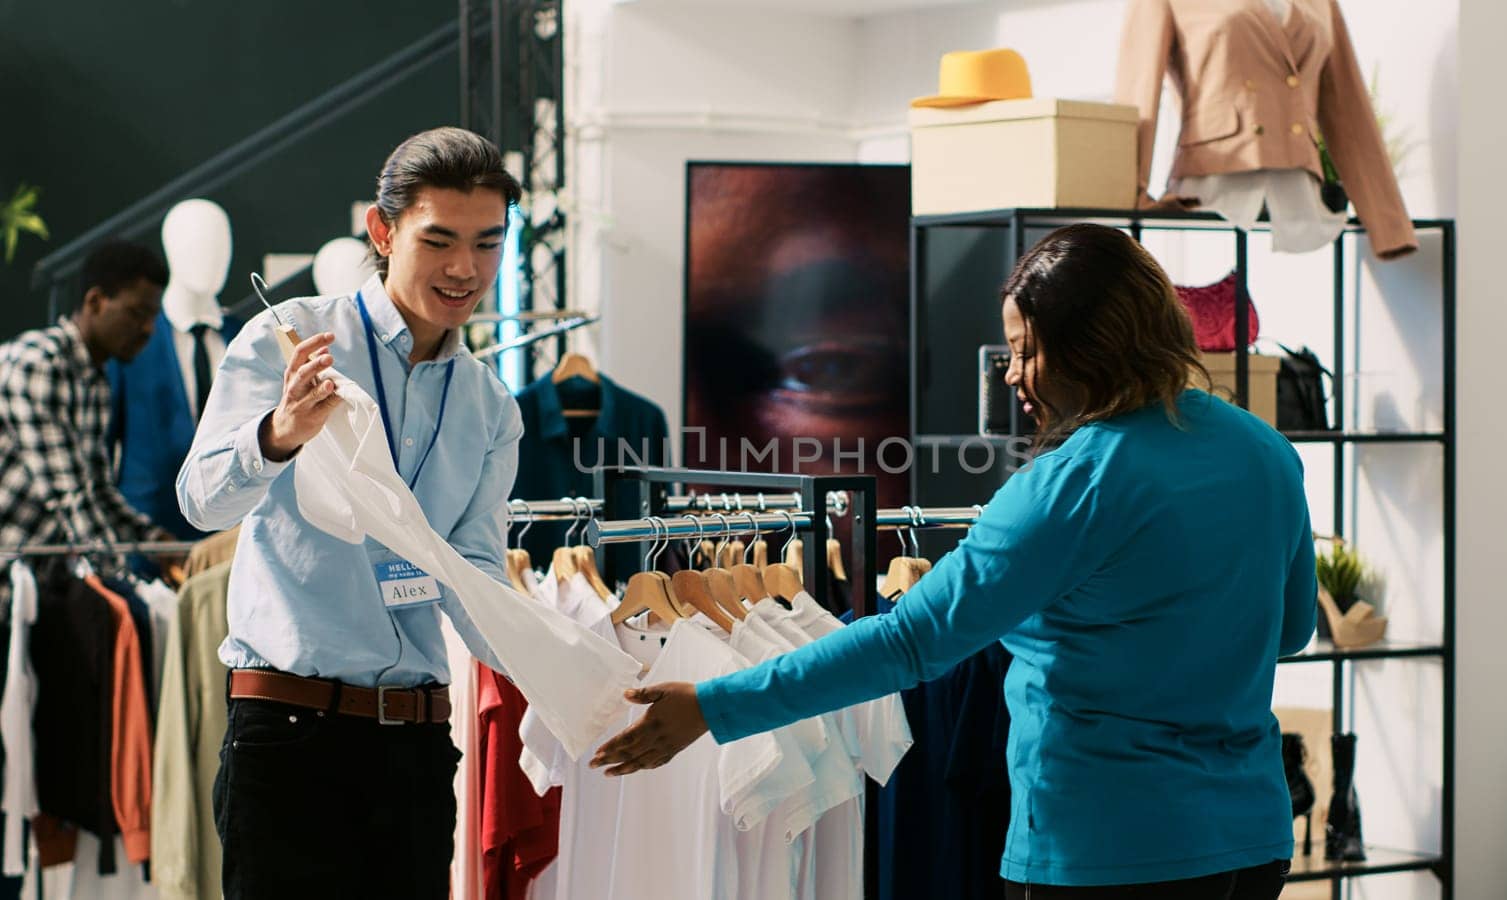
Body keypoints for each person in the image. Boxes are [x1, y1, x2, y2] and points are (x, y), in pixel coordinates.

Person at [591, 223, 1317, 899]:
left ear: (1091, 347)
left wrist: (715, 707)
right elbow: (1289, 631)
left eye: (1026, 351)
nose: (1012, 376)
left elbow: (908, 642)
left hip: (1107, 849)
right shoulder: (1265, 451)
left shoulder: (1070, 486)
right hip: (1250, 843)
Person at [176, 127, 522, 899]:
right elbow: (199, 503)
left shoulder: (491, 408)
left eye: (487, 244)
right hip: (290, 737)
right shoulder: (285, 341)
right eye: (439, 240)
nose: (465, 269)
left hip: (420, 749)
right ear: (382, 229)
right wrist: (278, 435)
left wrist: (576, 666)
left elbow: (476, 588)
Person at [0, 240, 177, 556]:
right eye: (137, 313)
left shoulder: (95, 378)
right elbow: (68, 494)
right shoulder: (39, 364)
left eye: (153, 317)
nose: (148, 329)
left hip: (33, 575)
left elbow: (97, 490)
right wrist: (122, 581)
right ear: (95, 300)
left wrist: (155, 542)